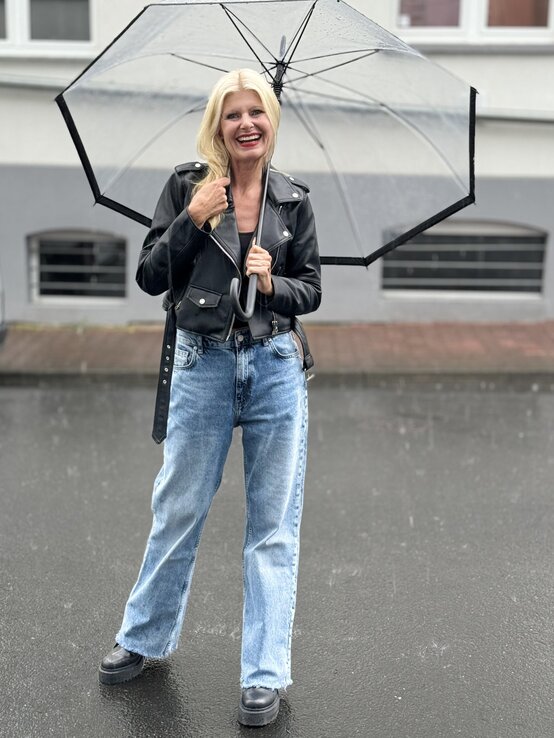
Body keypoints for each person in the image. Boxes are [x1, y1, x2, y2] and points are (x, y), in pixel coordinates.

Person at [98, 68, 321, 727]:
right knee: (179, 509)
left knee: (272, 527)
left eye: (258, 111)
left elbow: (312, 288)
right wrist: (192, 222)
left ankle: (263, 676)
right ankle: (143, 637)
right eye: (233, 113)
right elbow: (149, 275)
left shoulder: (294, 201)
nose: (247, 123)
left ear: (272, 122)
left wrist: (274, 283)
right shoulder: (186, 187)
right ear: (217, 124)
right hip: (203, 364)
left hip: (276, 367)